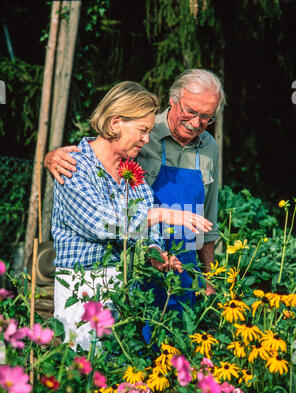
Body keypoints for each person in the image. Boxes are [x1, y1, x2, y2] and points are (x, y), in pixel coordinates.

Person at [51, 80, 212, 351]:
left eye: (149, 131)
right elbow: (99, 223)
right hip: (82, 291)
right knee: (84, 377)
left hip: (126, 294)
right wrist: (160, 214)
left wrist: (153, 253)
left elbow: (150, 235)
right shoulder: (74, 167)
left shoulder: (133, 176)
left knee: (119, 380)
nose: (147, 139)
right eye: (142, 130)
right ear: (115, 123)